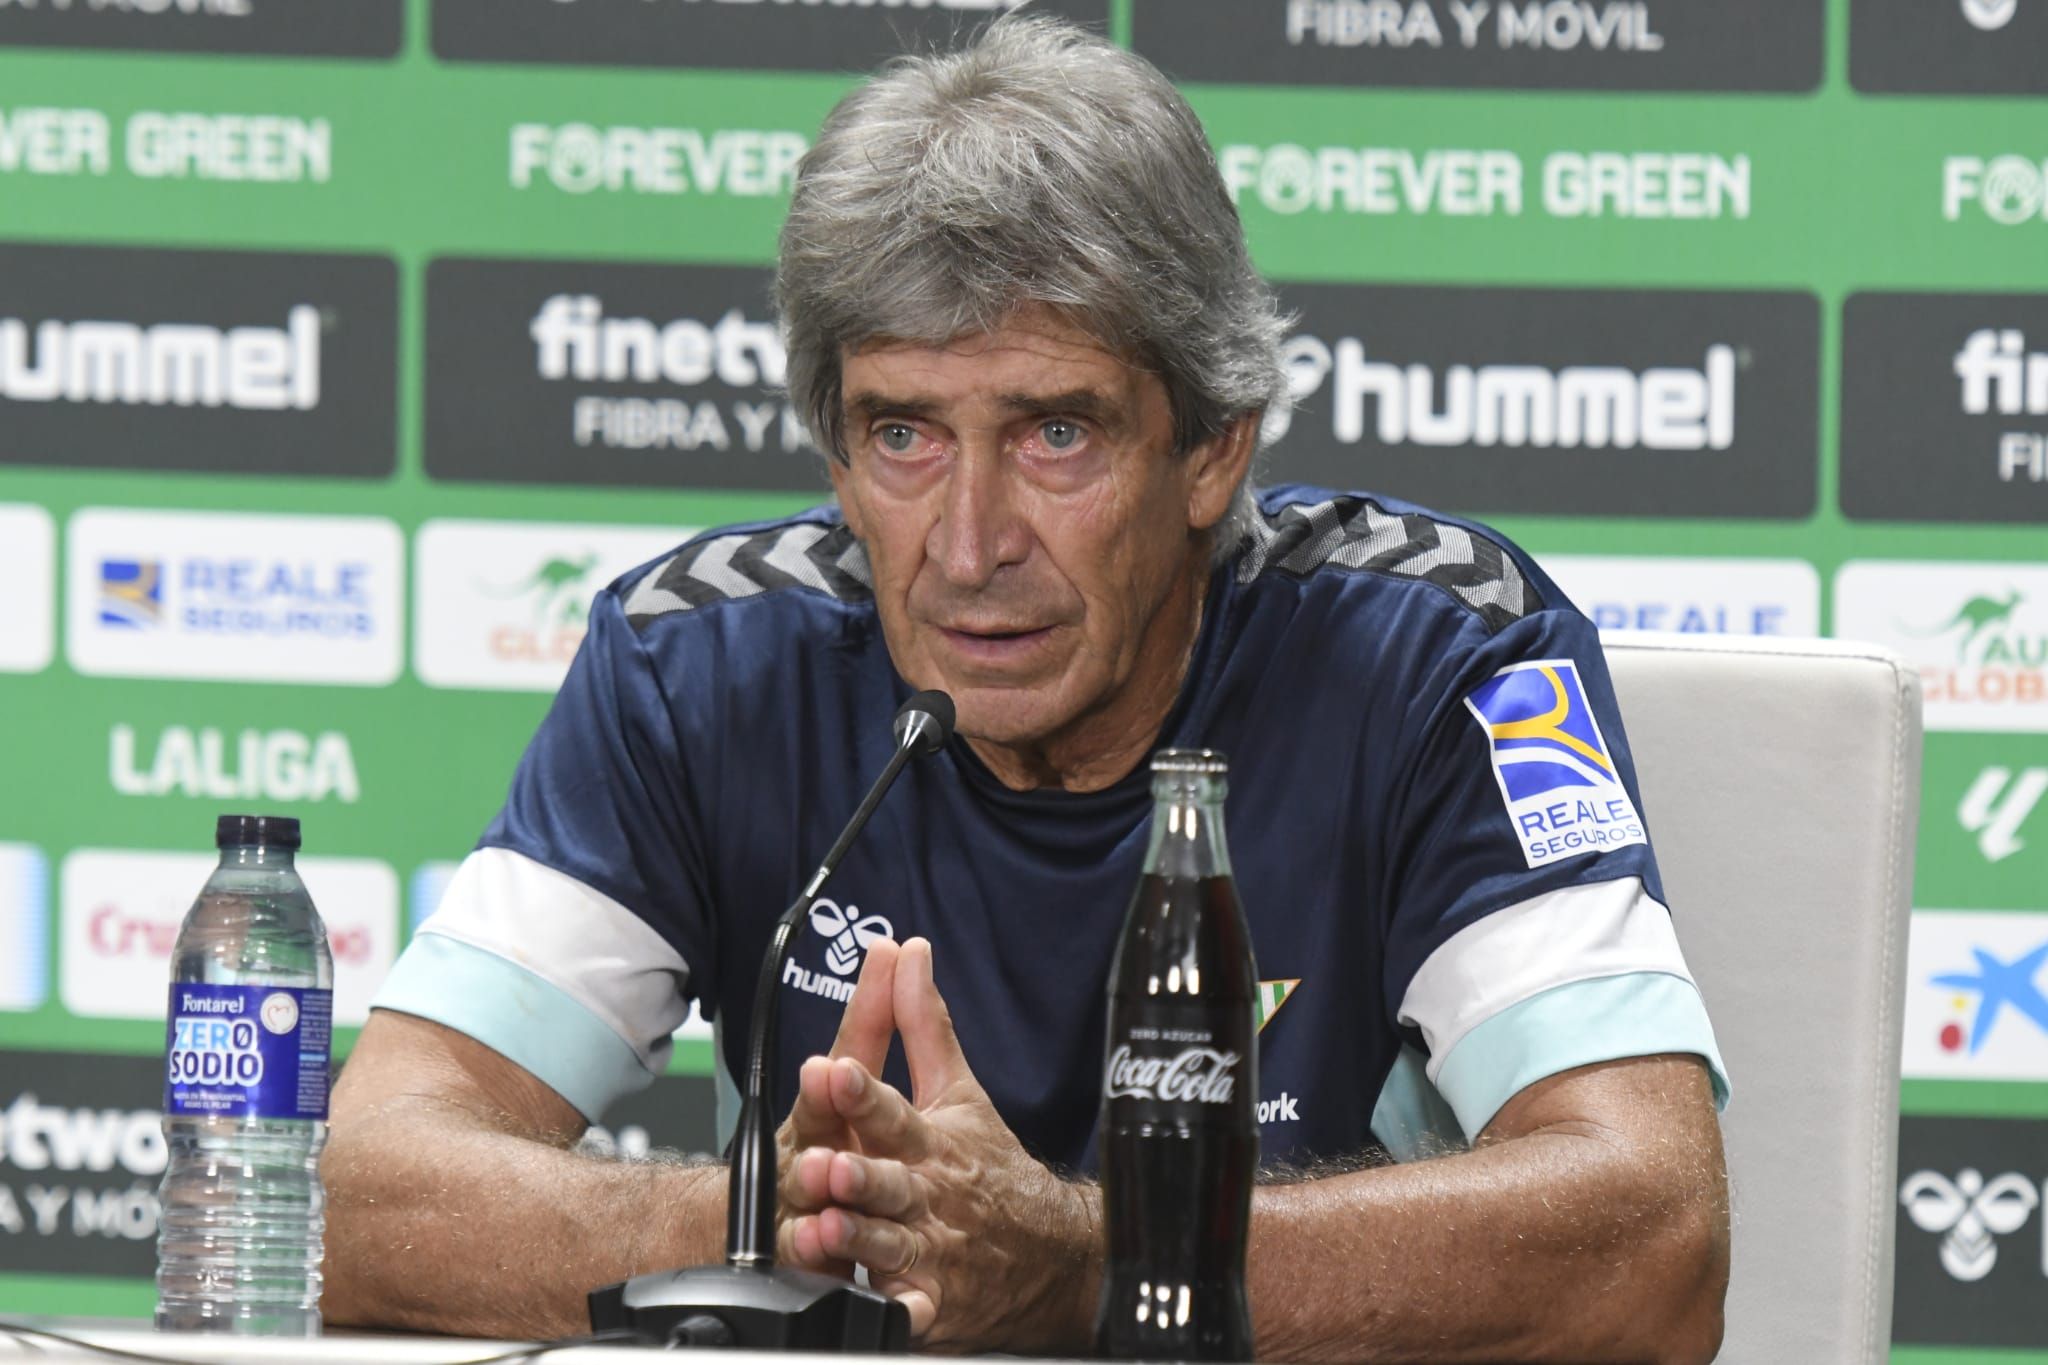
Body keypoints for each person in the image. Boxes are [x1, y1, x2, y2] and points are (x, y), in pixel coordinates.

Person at [325, 16, 1731, 1361]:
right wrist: (797, 1219)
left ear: (1212, 449)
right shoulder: (701, 663)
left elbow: (1655, 1238)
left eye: (1056, 432)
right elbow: (364, 1190)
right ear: (834, 453)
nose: (970, 544)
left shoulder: (1443, 653)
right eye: (903, 434)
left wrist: (1086, 1264)